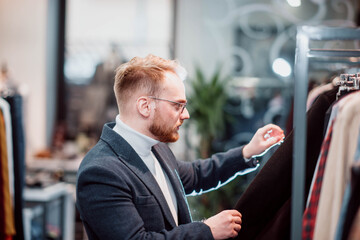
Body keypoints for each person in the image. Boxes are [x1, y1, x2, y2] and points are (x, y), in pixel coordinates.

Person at [76, 54, 285, 240]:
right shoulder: (101, 171)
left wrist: (248, 151)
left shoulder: (157, 146)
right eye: (177, 105)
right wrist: (206, 230)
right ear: (145, 106)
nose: (186, 115)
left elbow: (195, 175)